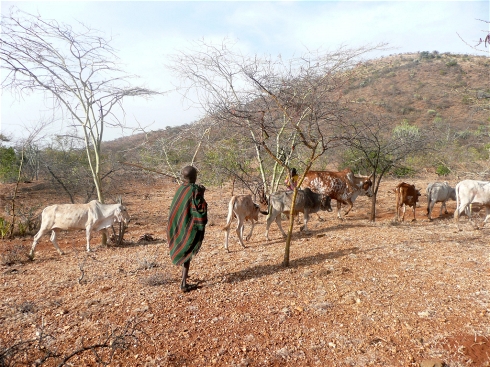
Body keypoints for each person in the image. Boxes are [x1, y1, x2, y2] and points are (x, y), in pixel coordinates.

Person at [167, 166, 208, 292]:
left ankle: (184, 279)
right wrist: (202, 192)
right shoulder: (194, 190)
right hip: (186, 226)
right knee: (187, 247)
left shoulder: (180, 188)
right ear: (194, 177)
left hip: (175, 225)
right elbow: (200, 209)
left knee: (185, 247)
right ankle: (183, 283)